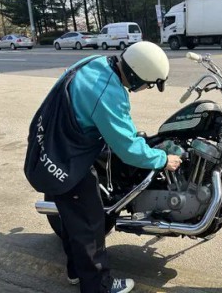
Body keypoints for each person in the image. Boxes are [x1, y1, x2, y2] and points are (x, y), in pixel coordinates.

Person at [24, 41, 182, 293]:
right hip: (65, 158)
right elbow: (129, 149)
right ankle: (98, 286)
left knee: (73, 218)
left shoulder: (95, 62)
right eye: (148, 84)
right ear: (136, 76)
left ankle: (75, 270)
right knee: (90, 222)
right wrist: (163, 159)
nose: (146, 88)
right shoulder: (109, 94)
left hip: (51, 142)